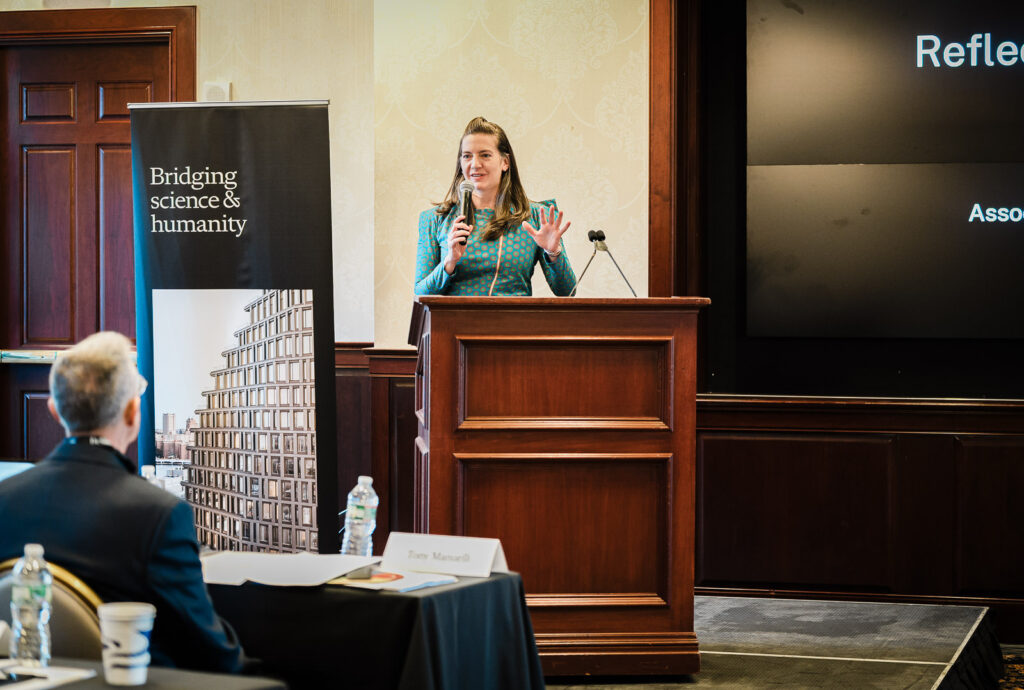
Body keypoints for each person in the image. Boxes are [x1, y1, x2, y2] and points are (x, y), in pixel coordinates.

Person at [0, 332, 246, 673]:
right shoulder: (159, 514)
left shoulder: (3, 498)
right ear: (133, 412)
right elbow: (211, 653)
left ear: (54, 410)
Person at [414, 116, 577, 296]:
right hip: (453, 324)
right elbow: (421, 293)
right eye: (467, 156)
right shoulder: (435, 219)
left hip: (514, 323)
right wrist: (450, 262)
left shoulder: (537, 217)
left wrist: (553, 252)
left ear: (505, 162)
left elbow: (567, 291)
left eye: (485, 155)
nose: (475, 164)